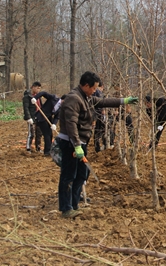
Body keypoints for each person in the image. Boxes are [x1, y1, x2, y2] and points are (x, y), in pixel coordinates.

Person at [56, 71, 138, 218]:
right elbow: (71, 124)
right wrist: (76, 145)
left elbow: (103, 102)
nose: (95, 91)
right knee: (68, 175)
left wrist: (124, 101)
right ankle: (66, 208)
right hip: (70, 143)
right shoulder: (74, 98)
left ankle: (75, 204)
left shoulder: (86, 97)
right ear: (86, 85)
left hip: (80, 142)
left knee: (82, 173)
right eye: (94, 88)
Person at [31, 90, 61, 156]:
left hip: (48, 119)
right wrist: (35, 98)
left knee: (50, 134)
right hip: (41, 117)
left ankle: (48, 150)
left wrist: (54, 124)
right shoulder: (53, 98)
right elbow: (43, 93)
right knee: (46, 134)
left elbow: (57, 117)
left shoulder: (61, 108)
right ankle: (47, 151)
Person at [22, 81, 42, 153]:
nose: (38, 90)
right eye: (37, 88)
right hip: (32, 117)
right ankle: (28, 148)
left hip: (39, 117)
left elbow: (40, 106)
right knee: (31, 133)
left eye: (39, 88)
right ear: (33, 87)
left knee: (39, 133)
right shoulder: (27, 97)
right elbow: (26, 108)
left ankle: (38, 147)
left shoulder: (38, 96)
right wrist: (28, 117)